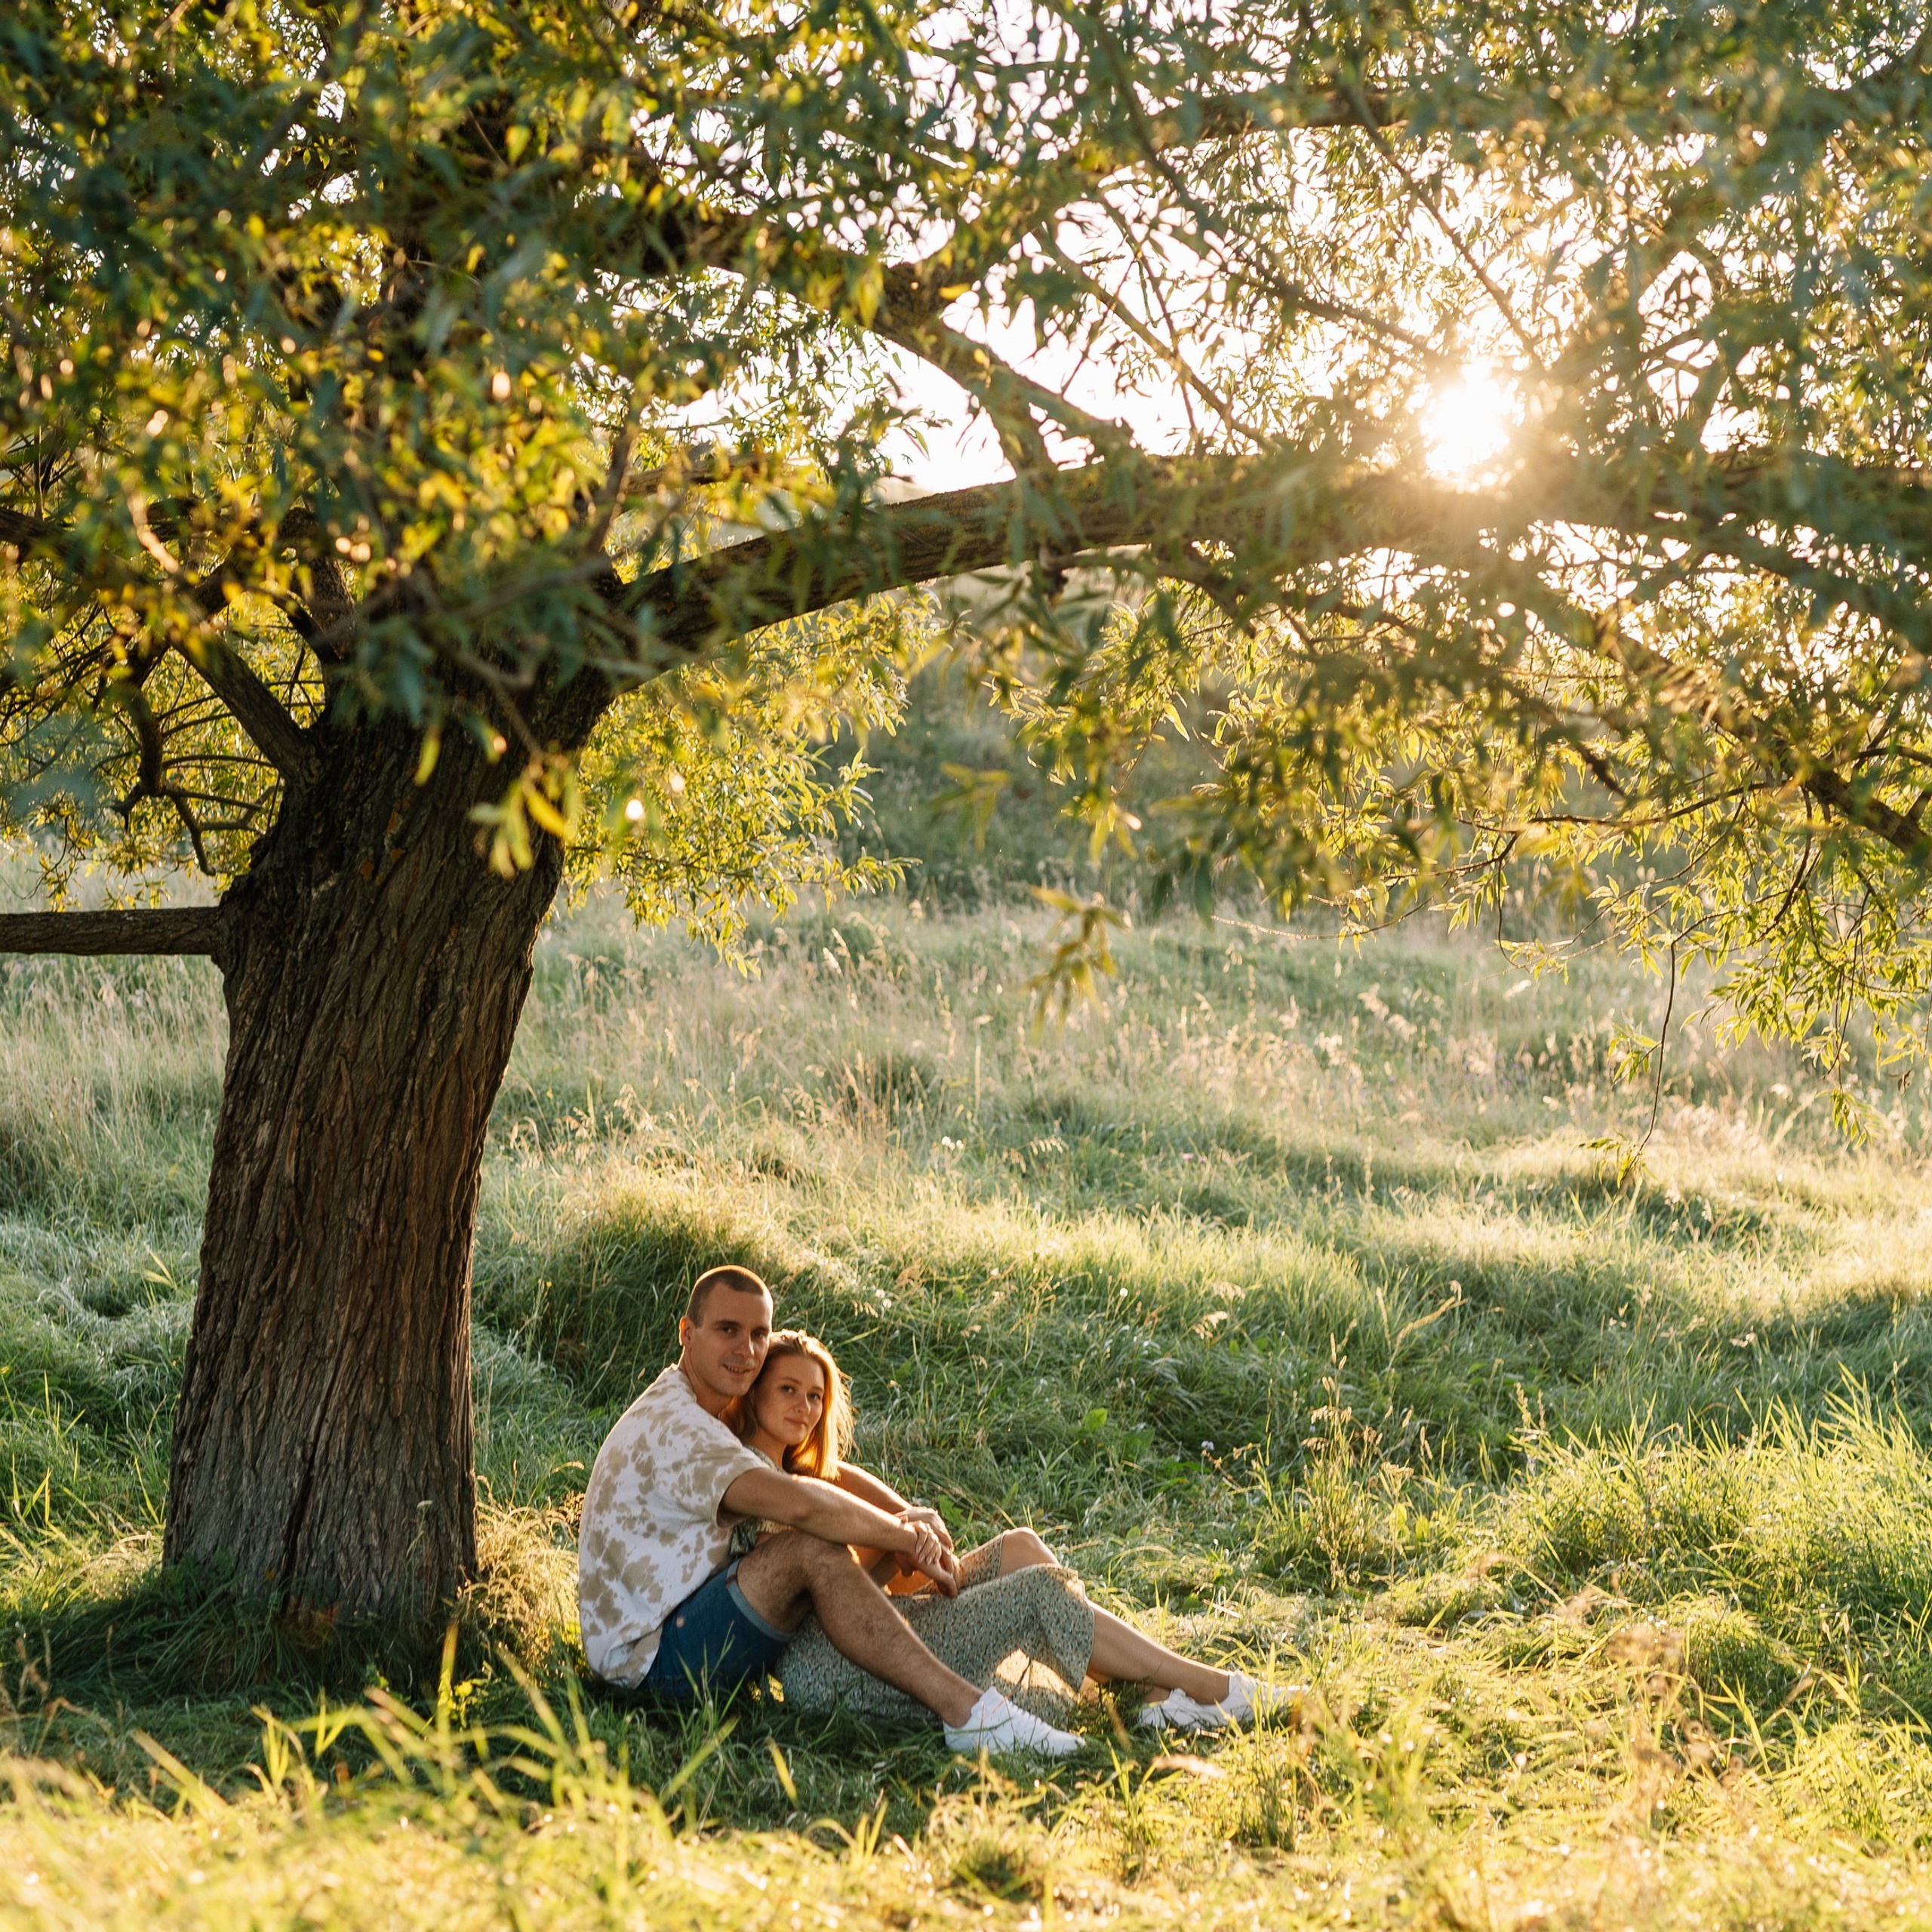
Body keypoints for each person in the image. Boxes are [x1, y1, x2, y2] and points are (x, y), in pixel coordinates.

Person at [577, 1264, 1086, 1755]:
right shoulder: (680, 1427)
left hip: (679, 1629)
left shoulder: (696, 1412)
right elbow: (801, 1502)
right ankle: (968, 1714)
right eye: (727, 1329)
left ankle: (1140, 1686)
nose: (747, 1349)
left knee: (825, 1547)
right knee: (808, 1548)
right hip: (650, 1665)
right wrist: (905, 1537)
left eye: (759, 1334)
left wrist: (906, 1515)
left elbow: (815, 1475)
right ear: (687, 1332)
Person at [732, 1328, 1297, 1733]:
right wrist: (896, 1540)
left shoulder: (802, 1472)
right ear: (755, 1392)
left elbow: (862, 1585)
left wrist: (900, 1548)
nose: (805, 1407)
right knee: (1041, 1591)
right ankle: (1212, 1689)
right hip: (826, 1664)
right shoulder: (750, 1479)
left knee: (1021, 1547)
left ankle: (1139, 1697)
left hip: (865, 1629)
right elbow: (806, 1595)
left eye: (815, 1396)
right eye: (788, 1390)